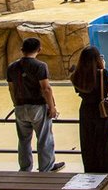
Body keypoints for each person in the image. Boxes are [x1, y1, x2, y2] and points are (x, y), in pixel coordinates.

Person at [6, 38, 65, 173]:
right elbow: (46, 88)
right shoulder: (40, 66)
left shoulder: (12, 67)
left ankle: (25, 168)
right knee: (44, 138)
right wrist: (52, 107)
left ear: (22, 50)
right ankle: (46, 168)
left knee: (23, 140)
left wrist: (16, 104)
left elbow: (11, 88)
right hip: (38, 106)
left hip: (20, 106)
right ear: (39, 50)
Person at [70, 46, 108, 174]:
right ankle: (107, 167)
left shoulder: (76, 75)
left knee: (88, 140)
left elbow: (78, 90)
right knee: (104, 139)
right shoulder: (102, 73)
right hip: (101, 109)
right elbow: (107, 86)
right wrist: (103, 69)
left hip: (86, 109)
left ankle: (91, 167)